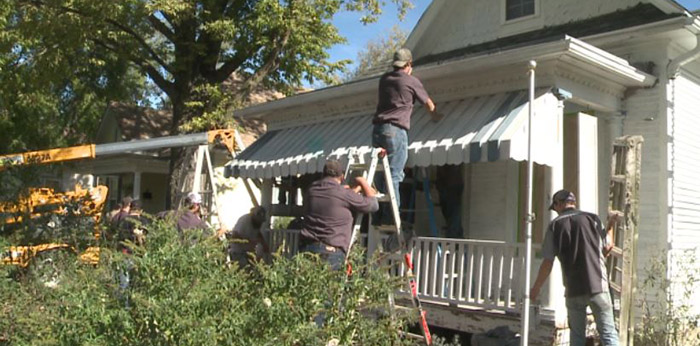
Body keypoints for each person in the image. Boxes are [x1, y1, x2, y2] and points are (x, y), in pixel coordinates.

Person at [530, 190, 619, 346]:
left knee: (577, 337)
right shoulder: (592, 219)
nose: (555, 210)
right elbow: (608, 247)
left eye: (555, 207)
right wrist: (610, 226)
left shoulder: (555, 226)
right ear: (573, 202)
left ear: (559, 204)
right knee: (608, 334)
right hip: (598, 286)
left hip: (573, 290)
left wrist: (536, 288)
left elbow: (547, 262)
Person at [372, 48, 441, 223]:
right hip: (395, 130)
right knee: (394, 174)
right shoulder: (411, 81)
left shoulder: (384, 79)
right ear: (409, 64)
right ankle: (391, 218)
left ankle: (378, 215)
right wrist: (436, 116)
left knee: (380, 175)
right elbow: (428, 104)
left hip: (378, 131)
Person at [299, 160, 379, 270]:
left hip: (308, 248)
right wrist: (362, 182)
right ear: (341, 177)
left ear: (323, 174)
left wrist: (352, 191)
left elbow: (333, 201)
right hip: (331, 253)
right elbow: (373, 205)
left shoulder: (312, 190)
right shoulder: (343, 194)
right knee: (330, 287)